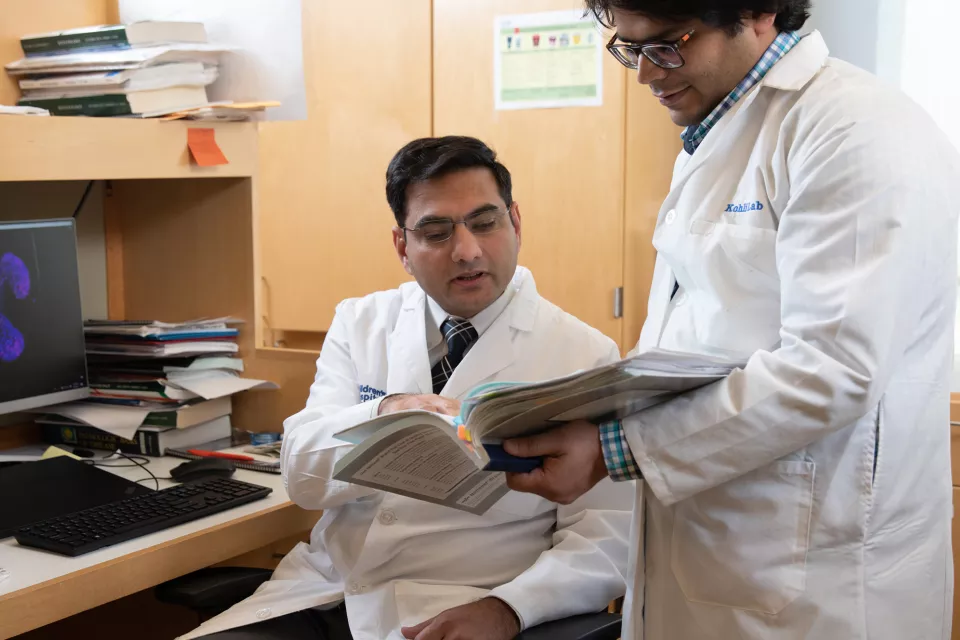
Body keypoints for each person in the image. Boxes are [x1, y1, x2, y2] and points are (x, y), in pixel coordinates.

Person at [504, 2, 960, 639]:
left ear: (759, 12)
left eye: (667, 45)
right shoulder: (723, 129)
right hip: (720, 556)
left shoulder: (854, 130)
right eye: (629, 49)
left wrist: (619, 447)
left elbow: (831, 371)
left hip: (814, 586)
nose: (645, 75)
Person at [180, 136, 633, 640]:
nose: (467, 251)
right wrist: (383, 415)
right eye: (437, 232)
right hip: (327, 592)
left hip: (464, 606)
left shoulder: (583, 355)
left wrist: (509, 609)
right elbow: (302, 474)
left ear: (516, 223)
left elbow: (606, 534)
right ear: (403, 246)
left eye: (485, 223)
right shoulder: (361, 322)